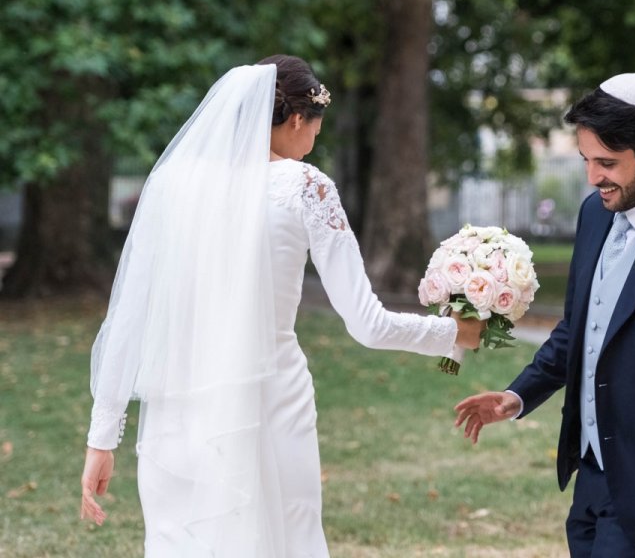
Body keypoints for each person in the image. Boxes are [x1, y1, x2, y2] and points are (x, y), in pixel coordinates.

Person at [80, 55, 483, 557]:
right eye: (316, 127)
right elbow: (367, 323)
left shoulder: (170, 187)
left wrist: (102, 437)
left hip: (177, 407)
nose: (314, 140)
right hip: (270, 399)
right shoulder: (305, 187)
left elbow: (130, 317)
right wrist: (456, 333)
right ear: (297, 119)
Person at [454, 73, 635, 558]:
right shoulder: (595, 214)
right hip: (592, 475)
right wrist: (518, 396)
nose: (594, 178)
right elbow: (581, 327)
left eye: (607, 163)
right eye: (587, 161)